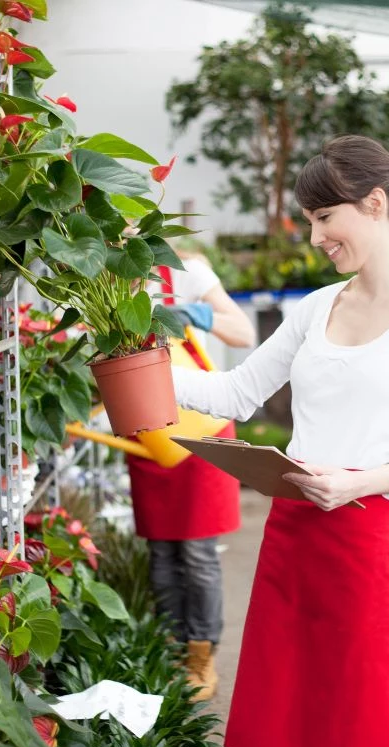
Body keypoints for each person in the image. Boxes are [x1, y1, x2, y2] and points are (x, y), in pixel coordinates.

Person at [171, 135, 389, 747]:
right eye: (310, 222)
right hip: (295, 539)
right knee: (266, 725)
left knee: (376, 736)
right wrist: (141, 373)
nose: (315, 238)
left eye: (322, 218)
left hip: (372, 543)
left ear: (371, 205)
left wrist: (360, 481)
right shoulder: (315, 308)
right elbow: (235, 393)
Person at [125, 246, 255, 701]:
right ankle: (171, 652)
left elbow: (243, 331)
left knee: (198, 555)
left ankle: (201, 657)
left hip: (202, 425)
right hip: (149, 431)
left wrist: (194, 313)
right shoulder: (96, 275)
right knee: (162, 555)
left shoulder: (183, 270)